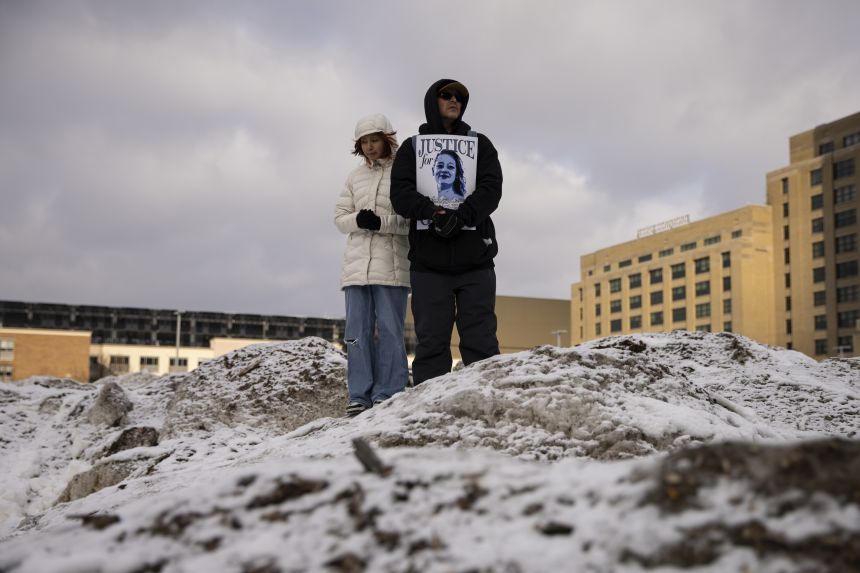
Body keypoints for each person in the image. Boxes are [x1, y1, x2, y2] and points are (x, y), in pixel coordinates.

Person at [391, 79, 502, 384]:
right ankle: (428, 411)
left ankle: (489, 402)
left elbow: (492, 188)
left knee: (481, 341)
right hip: (429, 263)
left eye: (460, 97)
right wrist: (432, 213)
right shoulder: (412, 148)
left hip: (475, 260)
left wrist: (462, 214)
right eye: (446, 95)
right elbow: (400, 194)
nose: (454, 100)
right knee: (431, 345)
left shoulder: (481, 145)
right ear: (432, 101)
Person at [334, 113, 410, 417]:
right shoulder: (354, 177)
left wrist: (382, 223)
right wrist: (358, 220)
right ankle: (359, 395)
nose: (369, 146)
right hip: (355, 269)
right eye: (363, 142)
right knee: (356, 333)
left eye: (374, 139)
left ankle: (389, 391)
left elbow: (411, 221)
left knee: (391, 330)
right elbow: (339, 218)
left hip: (392, 266)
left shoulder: (404, 173)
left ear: (387, 139)